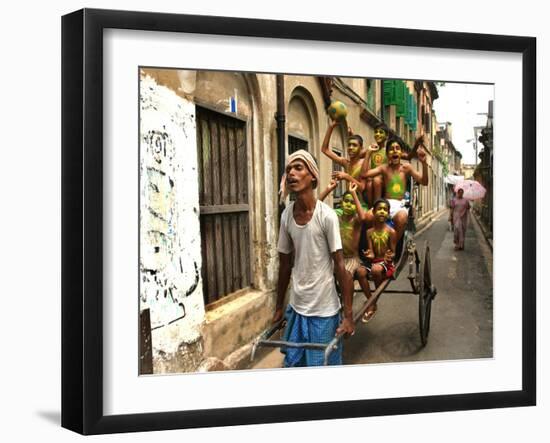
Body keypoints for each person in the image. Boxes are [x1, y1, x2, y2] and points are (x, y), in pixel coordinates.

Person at [273, 150, 354, 367]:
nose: (291, 173)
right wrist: (279, 307)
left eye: (298, 168)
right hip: (297, 306)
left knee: (321, 371)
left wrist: (348, 316)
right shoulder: (286, 216)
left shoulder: (326, 216)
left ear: (313, 178)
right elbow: (284, 265)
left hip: (323, 310)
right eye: (288, 169)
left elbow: (340, 266)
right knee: (293, 366)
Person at [319, 181, 372, 318]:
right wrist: (328, 189)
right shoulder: (335, 216)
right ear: (341, 203)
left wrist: (354, 193)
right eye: (346, 201)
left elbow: (363, 217)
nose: (349, 204)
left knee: (346, 274)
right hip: (335, 258)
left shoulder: (356, 220)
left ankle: (348, 312)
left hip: (351, 259)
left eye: (352, 202)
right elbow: (316, 206)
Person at [361, 137, 429, 241]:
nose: (395, 150)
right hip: (385, 203)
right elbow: (364, 174)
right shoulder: (384, 168)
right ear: (388, 154)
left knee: (401, 218)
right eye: (391, 149)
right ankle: (375, 243)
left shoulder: (407, 168)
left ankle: (392, 248)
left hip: (399, 205)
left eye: (397, 148)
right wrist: (368, 153)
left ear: (401, 153)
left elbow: (424, 182)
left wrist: (424, 163)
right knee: (368, 217)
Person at [362, 198, 397, 322]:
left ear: (388, 213)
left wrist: (390, 256)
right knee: (360, 272)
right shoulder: (369, 232)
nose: (382, 212)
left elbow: (393, 251)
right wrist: (369, 254)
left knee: (376, 270)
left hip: (385, 263)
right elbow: (371, 251)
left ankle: (372, 302)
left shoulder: (391, 232)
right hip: (374, 261)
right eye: (379, 209)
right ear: (374, 212)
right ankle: (371, 299)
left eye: (385, 210)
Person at [321, 120, 367, 206]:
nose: (350, 147)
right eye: (349, 145)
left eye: (354, 145)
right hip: (347, 203)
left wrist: (346, 176)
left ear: (361, 148)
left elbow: (362, 187)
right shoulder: (346, 162)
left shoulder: (364, 163)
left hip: (361, 205)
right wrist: (331, 127)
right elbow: (325, 150)